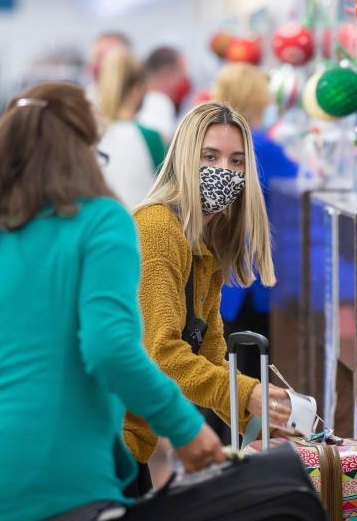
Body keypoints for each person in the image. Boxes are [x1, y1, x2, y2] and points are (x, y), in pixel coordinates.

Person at [0, 82, 224, 521]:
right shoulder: (100, 222)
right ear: (83, 149)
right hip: (62, 490)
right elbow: (111, 348)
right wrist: (186, 429)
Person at [126, 101, 292, 469]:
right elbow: (162, 356)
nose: (224, 172)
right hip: (101, 442)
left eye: (236, 162)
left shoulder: (201, 243)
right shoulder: (156, 231)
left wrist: (266, 422)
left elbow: (210, 357)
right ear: (185, 158)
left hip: (129, 440)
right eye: (210, 157)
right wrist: (249, 394)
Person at [211, 63, 299, 376]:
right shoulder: (260, 146)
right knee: (247, 381)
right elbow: (302, 182)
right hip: (249, 280)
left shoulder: (211, 142)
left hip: (218, 276)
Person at [96, 48, 166, 208]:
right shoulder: (149, 137)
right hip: (140, 227)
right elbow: (168, 193)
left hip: (101, 227)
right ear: (138, 89)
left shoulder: (89, 135)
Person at [139, 46, 191, 144]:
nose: (184, 82)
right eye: (182, 76)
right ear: (167, 74)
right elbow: (160, 148)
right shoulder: (159, 103)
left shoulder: (137, 101)